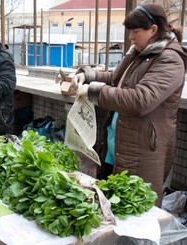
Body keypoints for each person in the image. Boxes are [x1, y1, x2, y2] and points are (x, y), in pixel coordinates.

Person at [72, 3, 187, 207]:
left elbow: (140, 100)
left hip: (142, 149)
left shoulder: (170, 59)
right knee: (112, 204)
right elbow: (116, 78)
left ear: (153, 30)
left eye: (135, 32)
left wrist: (93, 92)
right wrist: (87, 76)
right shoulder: (140, 52)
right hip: (117, 143)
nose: (130, 37)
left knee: (136, 209)